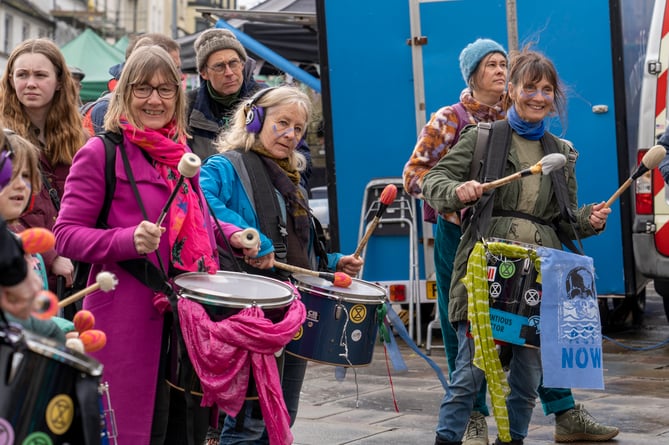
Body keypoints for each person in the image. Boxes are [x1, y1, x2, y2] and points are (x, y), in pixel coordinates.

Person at [403, 39, 619, 445]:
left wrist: (588, 220)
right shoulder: (481, 137)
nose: (538, 97)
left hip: (540, 275)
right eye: (529, 88)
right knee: (470, 372)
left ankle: (513, 440)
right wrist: (457, 190)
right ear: (513, 91)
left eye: (546, 91)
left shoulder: (562, 153)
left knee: (527, 376)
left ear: (555, 98)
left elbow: (563, 219)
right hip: (489, 271)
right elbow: (430, 178)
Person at [53, 44, 260, 445]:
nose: (154, 99)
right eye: (143, 89)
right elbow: (66, 234)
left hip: (186, 320)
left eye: (166, 90)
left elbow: (195, 221)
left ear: (178, 97)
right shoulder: (101, 153)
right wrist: (126, 239)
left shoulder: (181, 155)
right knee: (127, 431)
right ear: (126, 93)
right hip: (124, 316)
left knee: (183, 429)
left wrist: (231, 234)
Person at [200, 85, 363, 444]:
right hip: (248, 313)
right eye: (282, 123)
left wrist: (335, 261)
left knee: (283, 414)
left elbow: (300, 249)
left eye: (298, 128)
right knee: (250, 421)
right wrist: (247, 236)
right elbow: (202, 202)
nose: (290, 134)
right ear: (255, 119)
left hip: (292, 311)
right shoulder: (224, 167)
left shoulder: (293, 183)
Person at [0, 38, 86, 295]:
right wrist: (48, 254)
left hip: (77, 270)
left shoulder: (82, 140)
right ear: (11, 80)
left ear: (59, 82)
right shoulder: (2, 138)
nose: (30, 83)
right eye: (22, 75)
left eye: (40, 75)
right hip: (21, 269)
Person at [187, 28, 313, 189]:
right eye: (219, 66)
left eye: (234, 63)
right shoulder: (188, 108)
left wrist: (287, 193)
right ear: (204, 73)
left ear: (243, 64)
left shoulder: (270, 100)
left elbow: (302, 158)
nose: (229, 72)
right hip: (207, 198)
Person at [82, 33, 182, 136]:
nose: (181, 76)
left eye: (165, 89)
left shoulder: (178, 142)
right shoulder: (105, 112)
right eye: (173, 68)